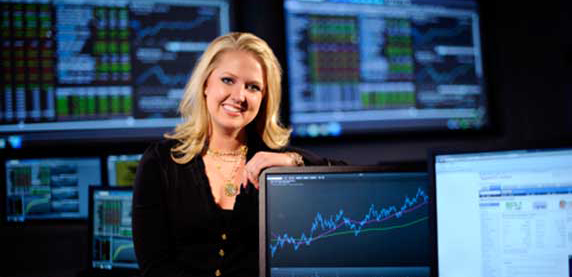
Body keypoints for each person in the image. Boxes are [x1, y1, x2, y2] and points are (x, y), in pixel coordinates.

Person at [132, 32, 345, 277]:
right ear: (205, 84)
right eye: (228, 80)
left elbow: (353, 180)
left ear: (264, 98)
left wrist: (293, 160)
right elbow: (154, 266)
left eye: (252, 87)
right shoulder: (160, 162)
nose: (239, 96)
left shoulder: (274, 161)